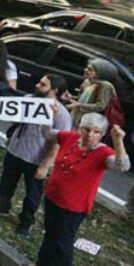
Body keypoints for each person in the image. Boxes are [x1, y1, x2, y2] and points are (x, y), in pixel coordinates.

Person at [34, 112, 129, 265]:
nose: (90, 135)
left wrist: (118, 141)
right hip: (52, 197)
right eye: (86, 129)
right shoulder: (70, 137)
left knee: (62, 242)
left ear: (102, 134)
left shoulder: (103, 152)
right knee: (50, 234)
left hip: (73, 207)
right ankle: (42, 262)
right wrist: (48, 113)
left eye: (96, 132)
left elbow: (122, 166)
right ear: (80, 128)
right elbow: (47, 132)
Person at [0, 74, 72, 237]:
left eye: (43, 84)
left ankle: (26, 222)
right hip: (15, 150)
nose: (37, 85)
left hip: (36, 158)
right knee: (6, 182)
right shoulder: (29, 99)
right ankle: (1, 207)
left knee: (32, 193)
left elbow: (59, 142)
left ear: (54, 90)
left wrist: (46, 164)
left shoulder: (62, 115)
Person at [67, 59, 118, 127]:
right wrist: (70, 97)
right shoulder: (87, 82)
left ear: (99, 73)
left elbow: (100, 106)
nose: (86, 70)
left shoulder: (105, 86)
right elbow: (81, 98)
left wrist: (79, 106)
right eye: (86, 68)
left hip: (90, 120)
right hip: (76, 115)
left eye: (90, 70)